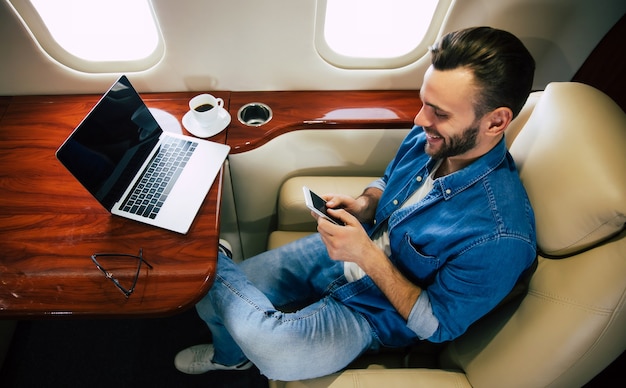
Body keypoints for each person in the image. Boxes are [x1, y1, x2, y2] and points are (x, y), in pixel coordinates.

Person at [174, 26, 537, 381]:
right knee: (205, 296)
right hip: (355, 246)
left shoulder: (499, 237)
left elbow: (438, 324)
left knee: (276, 353)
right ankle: (230, 358)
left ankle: (213, 260)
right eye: (424, 103)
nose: (419, 119)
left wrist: (366, 255)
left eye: (439, 113)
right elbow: (387, 182)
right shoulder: (430, 137)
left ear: (496, 122)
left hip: (375, 312)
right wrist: (364, 204)